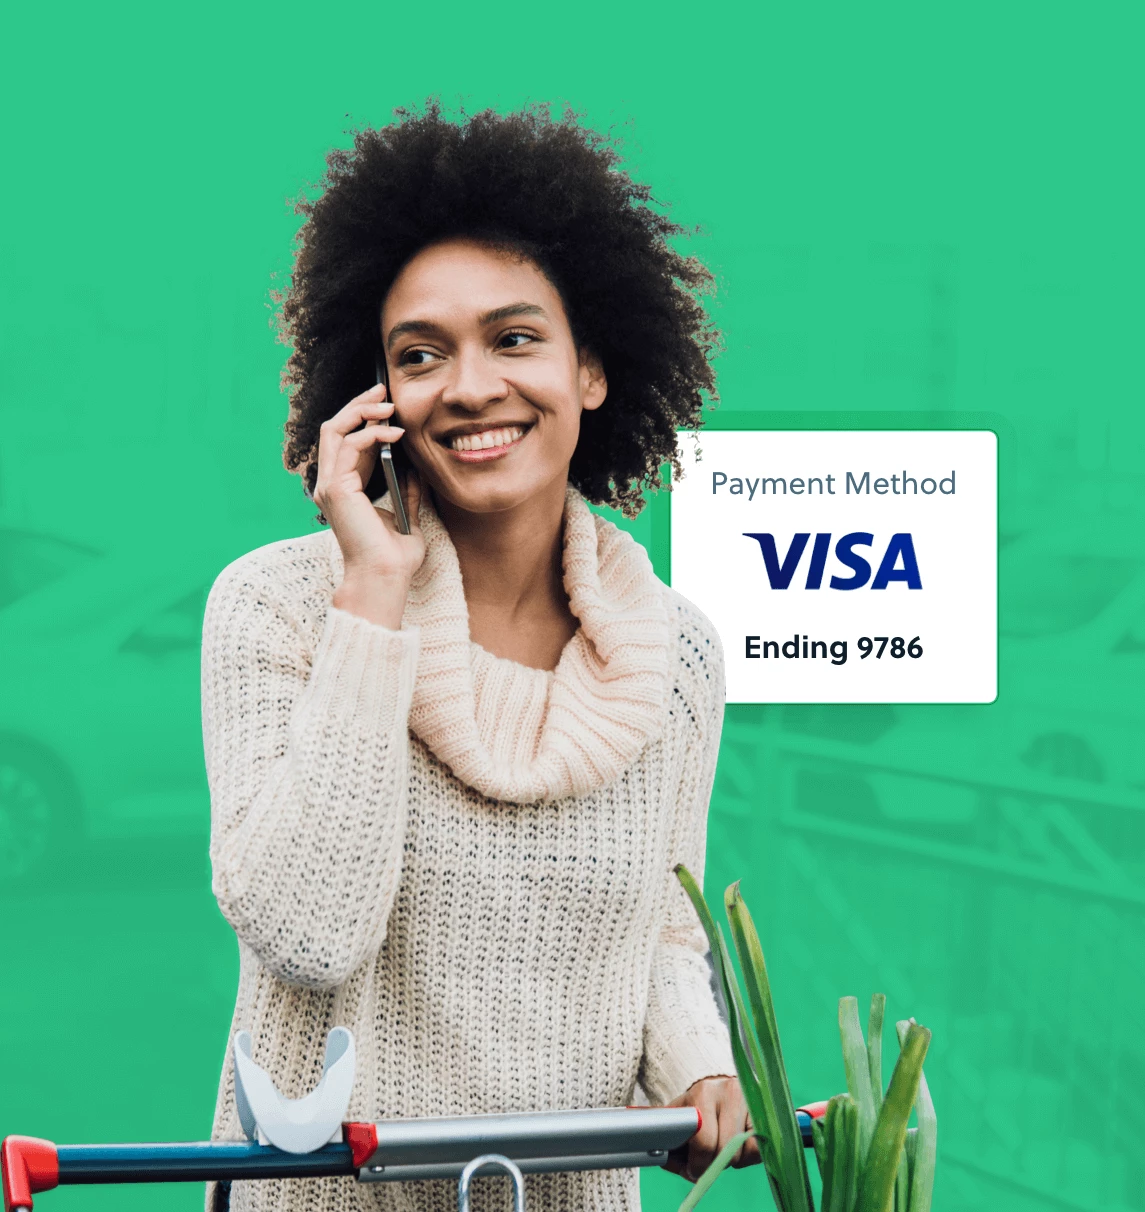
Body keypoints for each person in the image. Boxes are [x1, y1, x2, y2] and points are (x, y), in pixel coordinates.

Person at [202, 102, 758, 1212]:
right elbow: (306, 934)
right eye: (421, 355)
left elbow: (662, 924)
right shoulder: (279, 606)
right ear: (377, 399)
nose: (468, 386)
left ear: (592, 371)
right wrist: (371, 595)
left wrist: (699, 1064)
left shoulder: (678, 654)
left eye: (514, 339)